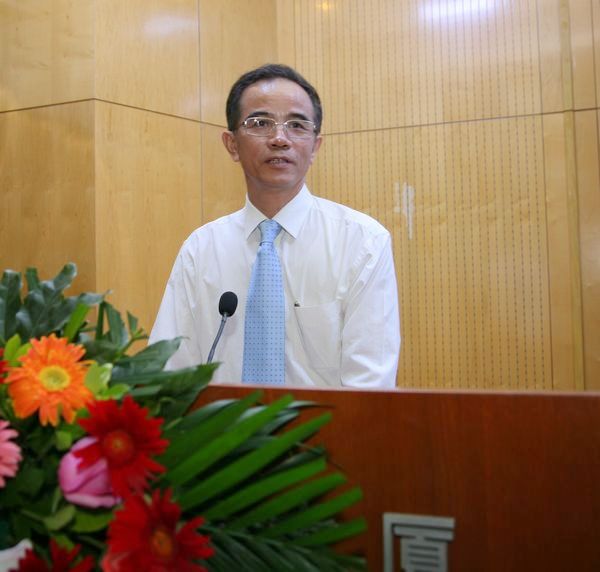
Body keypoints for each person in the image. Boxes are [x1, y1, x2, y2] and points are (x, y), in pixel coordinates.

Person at [149, 64, 400, 388]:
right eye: (260, 123)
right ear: (232, 144)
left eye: (296, 125)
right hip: (224, 422)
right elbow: (169, 373)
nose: (280, 139)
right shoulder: (201, 249)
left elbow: (370, 386)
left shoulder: (362, 243)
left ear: (315, 146)